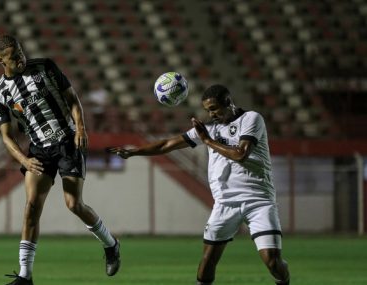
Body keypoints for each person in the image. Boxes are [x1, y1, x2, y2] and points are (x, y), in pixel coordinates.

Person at [108, 84, 290, 285]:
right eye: (207, 110)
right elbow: (167, 144)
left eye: (214, 109)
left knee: (272, 262)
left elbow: (240, 154)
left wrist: (207, 140)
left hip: (259, 201)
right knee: (208, 260)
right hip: (225, 204)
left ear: (228, 102)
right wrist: (134, 152)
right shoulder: (210, 129)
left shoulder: (251, 119)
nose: (211, 114)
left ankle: (283, 277)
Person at [0, 35, 120, 285]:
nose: (20, 58)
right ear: (0, 61)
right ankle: (25, 276)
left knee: (73, 204)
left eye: (19, 52)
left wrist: (81, 127)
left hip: (67, 141)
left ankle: (111, 245)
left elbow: (71, 98)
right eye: (13, 57)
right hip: (38, 150)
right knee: (31, 208)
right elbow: (6, 137)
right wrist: (24, 161)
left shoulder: (45, 67)